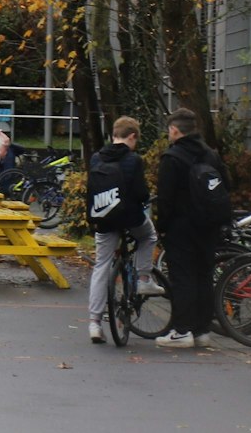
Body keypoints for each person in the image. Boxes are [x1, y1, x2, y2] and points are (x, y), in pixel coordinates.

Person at [155, 106, 231, 349]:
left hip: (181, 226)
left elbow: (165, 198)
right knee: (204, 275)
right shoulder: (211, 155)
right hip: (208, 226)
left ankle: (181, 330)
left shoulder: (173, 158)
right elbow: (226, 185)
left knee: (183, 277)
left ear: (175, 130)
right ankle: (202, 330)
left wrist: (162, 226)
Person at [86, 115, 162, 343]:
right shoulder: (133, 160)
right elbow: (140, 194)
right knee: (149, 236)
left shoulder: (96, 158)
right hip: (129, 218)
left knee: (101, 265)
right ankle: (143, 278)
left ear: (112, 135)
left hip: (103, 219)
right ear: (132, 136)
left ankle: (94, 323)